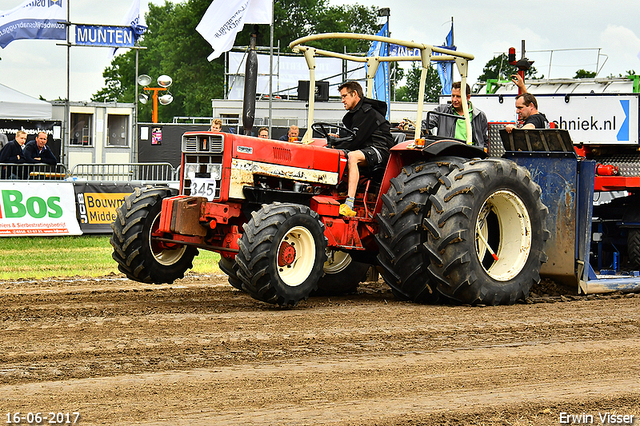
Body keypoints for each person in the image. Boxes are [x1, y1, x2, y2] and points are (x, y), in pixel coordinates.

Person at [335, 81, 394, 217]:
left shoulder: (368, 113)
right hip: (367, 148)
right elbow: (350, 137)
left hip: (381, 149)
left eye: (344, 96)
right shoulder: (354, 115)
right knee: (336, 152)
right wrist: (337, 140)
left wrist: (338, 144)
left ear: (355, 94)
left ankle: (349, 203)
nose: (342, 100)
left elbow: (356, 140)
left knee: (352, 156)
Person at [421, 81, 488, 148]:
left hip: (471, 155)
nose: (454, 99)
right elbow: (426, 123)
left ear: (468, 97)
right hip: (447, 153)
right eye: (453, 96)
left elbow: (484, 140)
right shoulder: (441, 111)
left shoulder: (479, 116)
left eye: (458, 96)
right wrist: (413, 127)